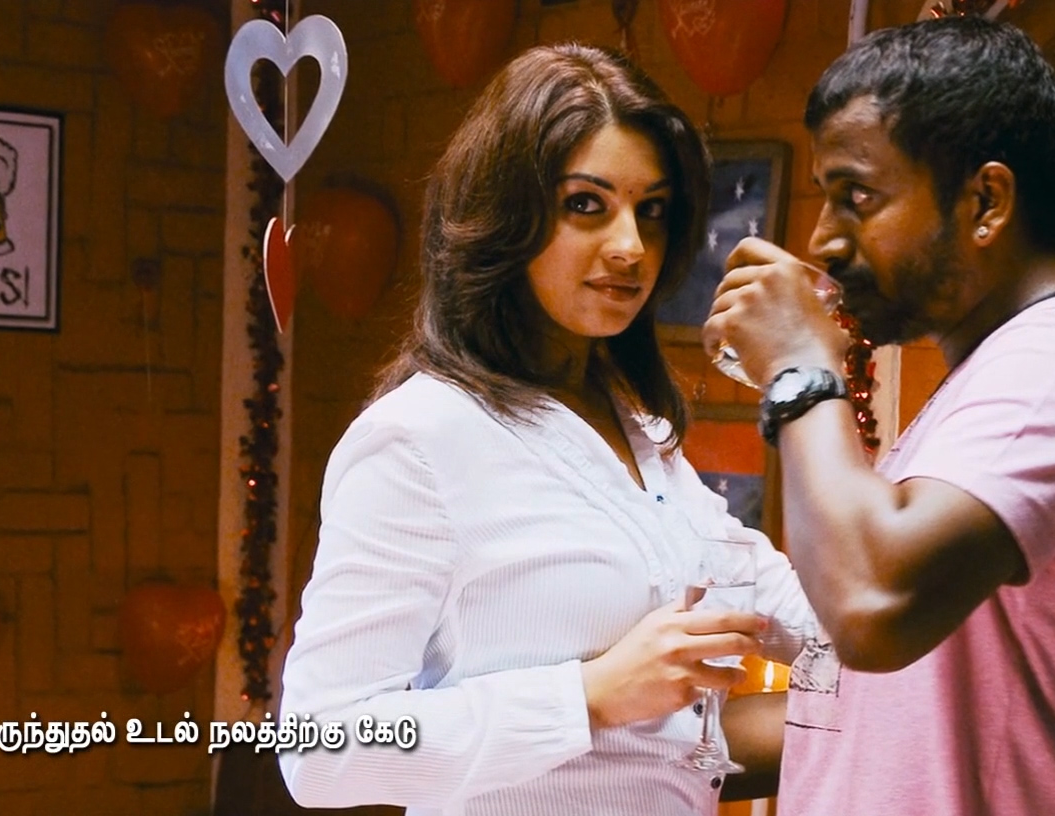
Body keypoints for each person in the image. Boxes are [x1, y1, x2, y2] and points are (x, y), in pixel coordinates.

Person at [277, 43, 819, 815]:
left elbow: (808, 624)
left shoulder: (640, 432)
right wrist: (588, 695)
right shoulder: (418, 440)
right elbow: (319, 750)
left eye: (652, 210)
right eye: (586, 205)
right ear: (507, 214)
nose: (630, 246)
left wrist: (814, 378)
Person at [704, 16, 1055, 816]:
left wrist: (800, 364)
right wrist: (608, 743)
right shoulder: (984, 383)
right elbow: (862, 711)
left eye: (857, 197)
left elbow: (872, 607)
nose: (824, 240)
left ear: (986, 202)